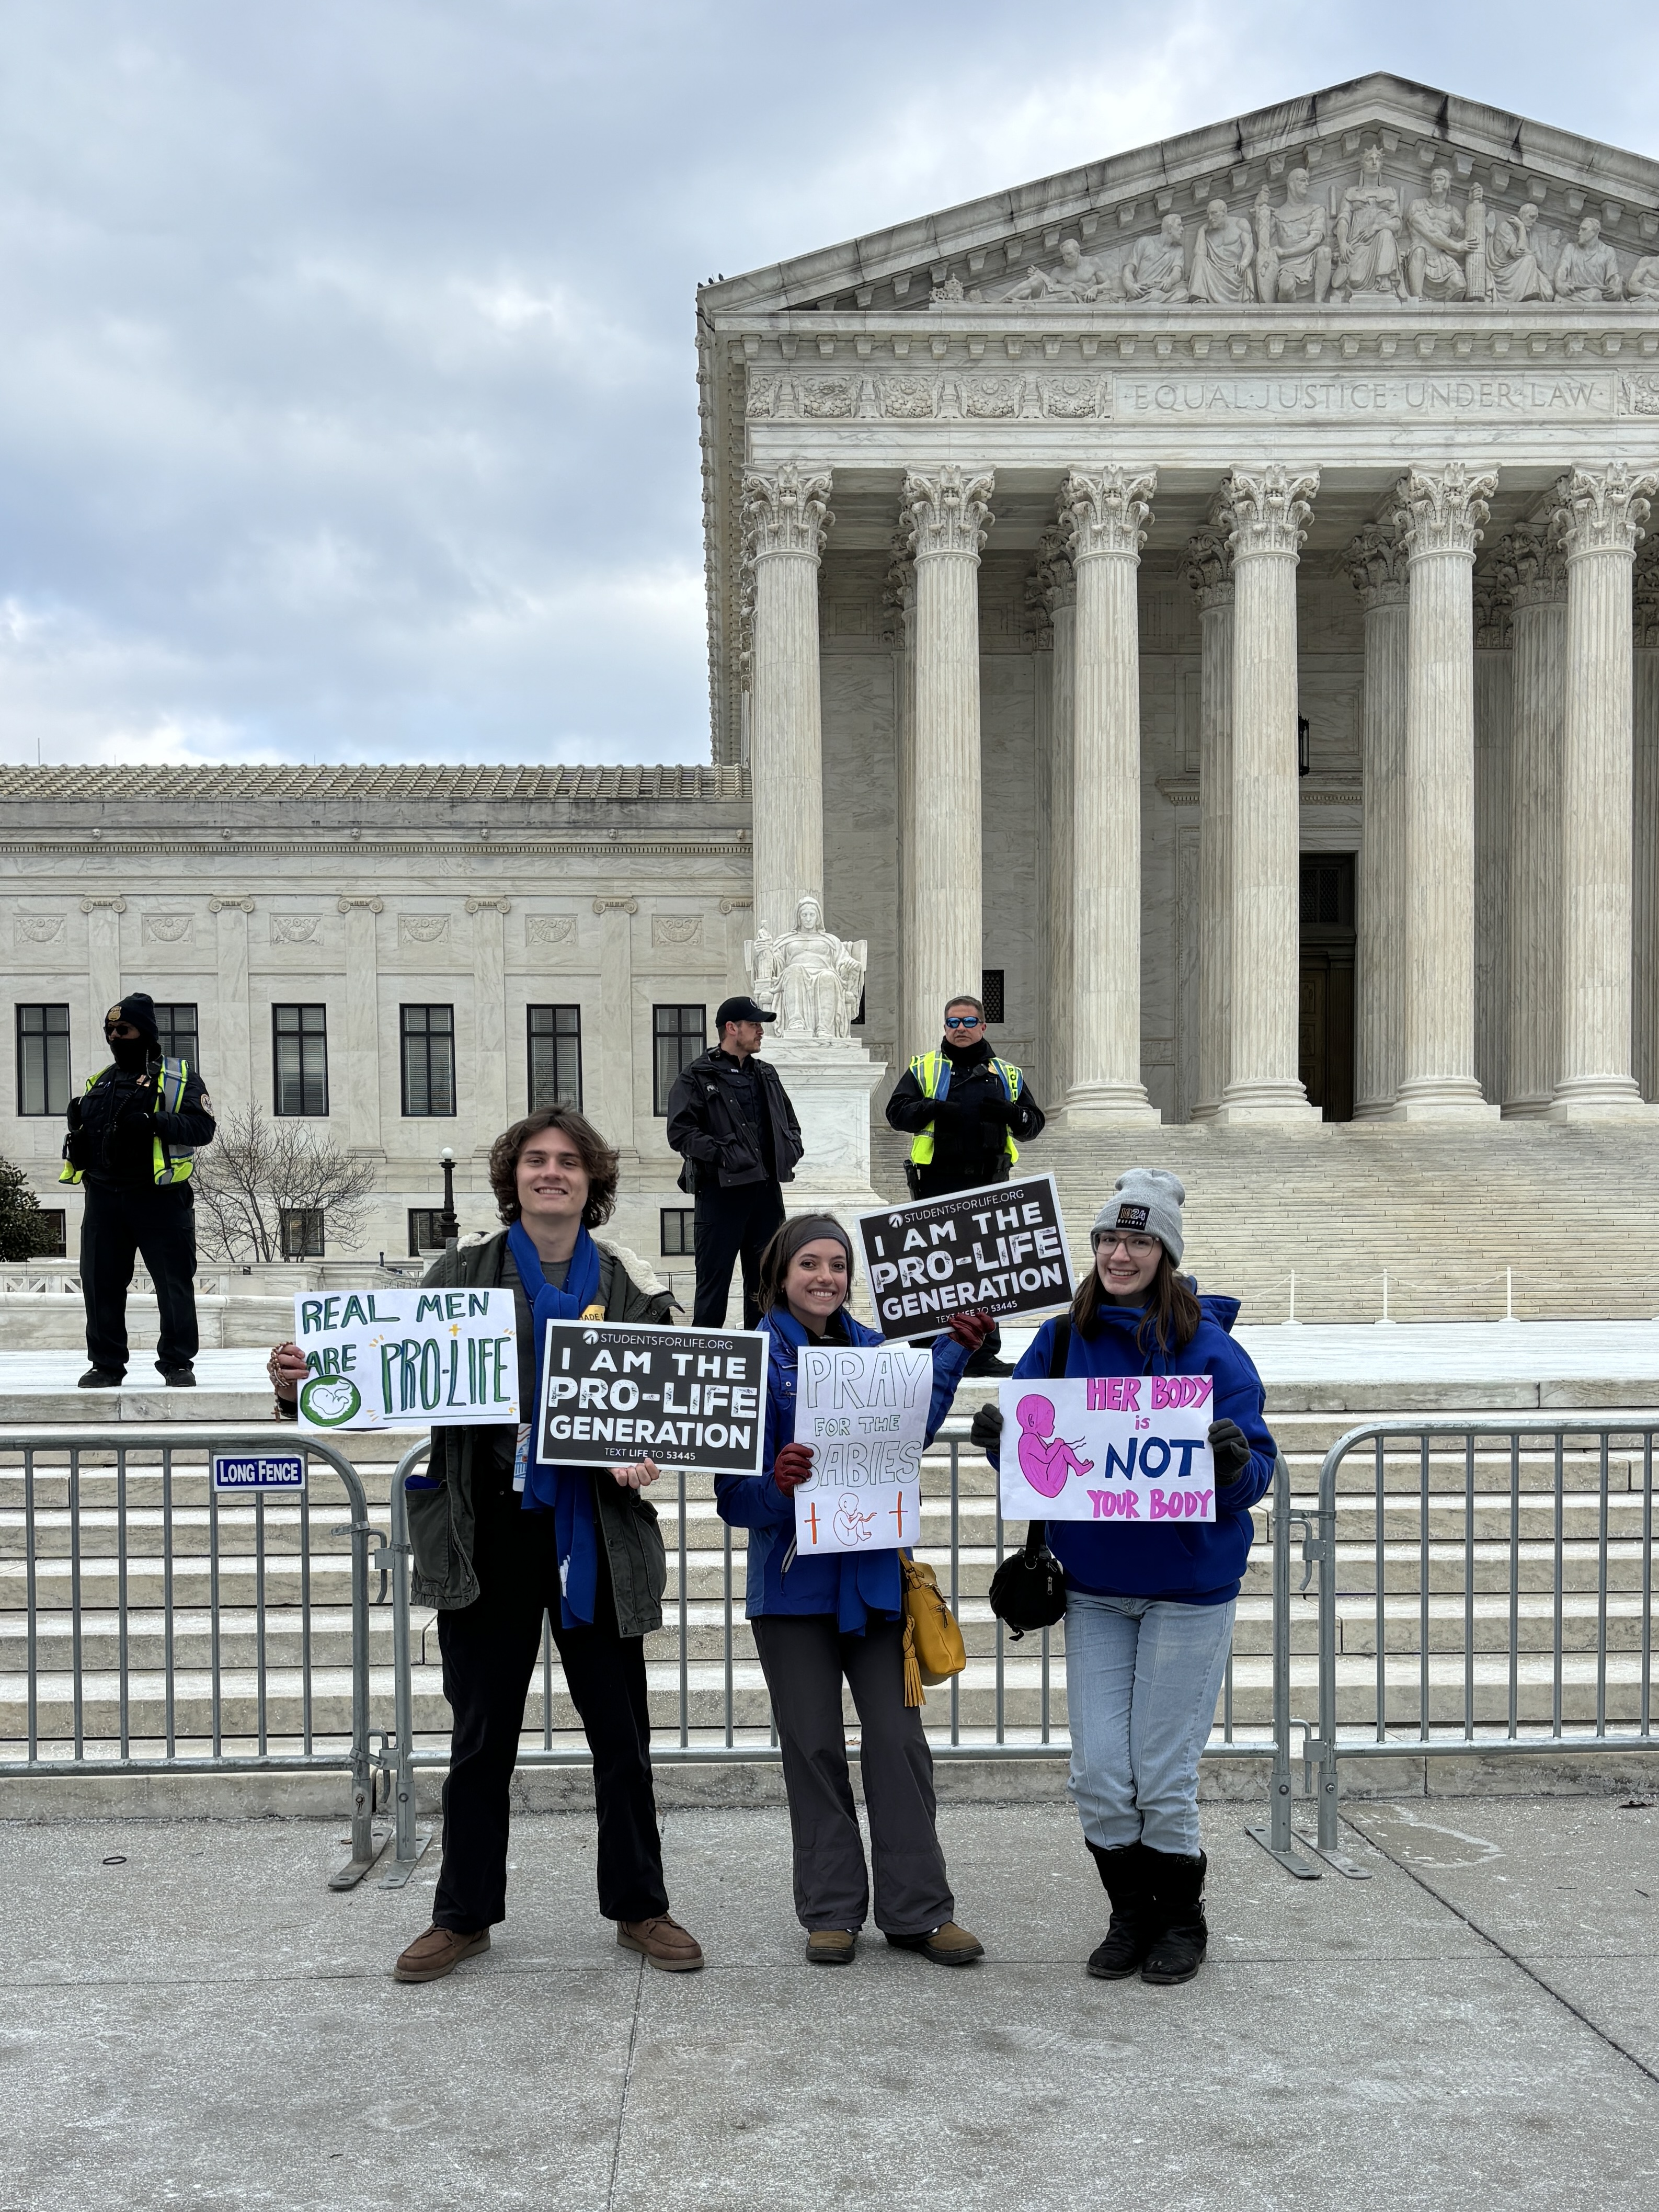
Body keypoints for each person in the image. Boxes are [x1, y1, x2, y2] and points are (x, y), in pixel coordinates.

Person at [269, 1107, 704, 1982]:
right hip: (484, 1533)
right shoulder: (460, 1275)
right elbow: (383, 1369)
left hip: (594, 1540)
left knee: (621, 1741)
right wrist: (300, 1385)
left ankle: (640, 1907)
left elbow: (666, 1406)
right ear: (511, 1178)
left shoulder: (626, 1285)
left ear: (592, 1182)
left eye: (568, 1162)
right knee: (481, 1741)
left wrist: (643, 1451)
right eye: (536, 1161)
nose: (552, 1174)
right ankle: (462, 1914)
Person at [970, 1168, 1276, 1989]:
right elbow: (1035, 1447)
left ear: (1165, 1253)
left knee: (1161, 1771)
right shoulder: (1062, 1338)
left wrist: (1233, 1467)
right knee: (1102, 1770)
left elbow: (1259, 1467)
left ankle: (1180, 1917)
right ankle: (1130, 1910)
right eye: (1109, 1237)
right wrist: (998, 1439)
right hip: (1096, 1585)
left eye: (1138, 1239)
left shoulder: (1212, 1349)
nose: (1119, 1252)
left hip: (1187, 1588)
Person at [714, 1213, 993, 1967]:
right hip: (792, 1588)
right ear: (780, 1271)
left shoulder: (877, 1352)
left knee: (900, 1744)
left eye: (838, 1264)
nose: (826, 1277)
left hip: (873, 1584)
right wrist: (774, 1486)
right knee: (812, 1748)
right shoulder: (751, 1359)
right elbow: (731, 1500)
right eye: (810, 1262)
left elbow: (913, 1429)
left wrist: (954, 1354)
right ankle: (831, 1909)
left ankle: (919, 1910)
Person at [59, 992, 215, 1388]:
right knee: (100, 1285)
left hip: (159, 1198)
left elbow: (203, 1129)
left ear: (144, 1033)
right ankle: (106, 1364)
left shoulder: (179, 1078)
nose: (115, 1036)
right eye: (110, 1030)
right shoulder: (100, 1082)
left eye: (123, 1029)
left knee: (173, 1284)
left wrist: (155, 1121)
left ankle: (178, 1363)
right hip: (103, 1199)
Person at [884, 993, 1046, 1375]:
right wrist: (933, 1109)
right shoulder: (924, 1068)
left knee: (987, 1271)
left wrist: (1012, 1113)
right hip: (936, 1183)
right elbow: (896, 1114)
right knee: (932, 1271)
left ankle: (982, 1352)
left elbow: (1033, 1123)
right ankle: (928, 1351)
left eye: (968, 1022)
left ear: (982, 1026)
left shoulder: (1007, 1073)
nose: (960, 1029)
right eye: (953, 1023)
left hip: (990, 1185)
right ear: (945, 1027)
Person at [665, 993, 803, 1329]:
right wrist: (725, 1155)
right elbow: (680, 1133)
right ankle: (703, 1363)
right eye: (754, 1025)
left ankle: (766, 1363)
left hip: (766, 1194)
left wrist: (792, 1148)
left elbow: (790, 1122)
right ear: (732, 1028)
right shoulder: (696, 1075)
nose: (761, 1032)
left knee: (766, 1287)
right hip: (720, 1195)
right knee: (713, 1289)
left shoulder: (767, 1073)